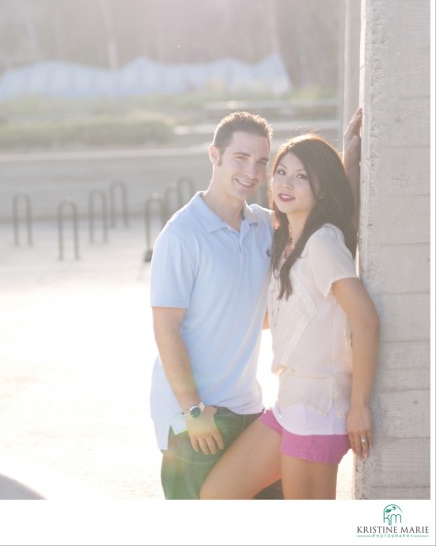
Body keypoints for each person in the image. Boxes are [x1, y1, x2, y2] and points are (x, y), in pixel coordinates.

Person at [149, 108, 363, 500]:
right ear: (214, 155)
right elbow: (166, 328)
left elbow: (325, 221)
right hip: (197, 416)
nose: (252, 171)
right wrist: (193, 410)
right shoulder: (181, 236)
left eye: (262, 161)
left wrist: (349, 165)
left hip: (252, 409)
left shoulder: (265, 225)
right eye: (240, 158)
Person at [200, 132, 380, 500]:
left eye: (302, 176)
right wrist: (349, 160)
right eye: (282, 171)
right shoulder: (288, 240)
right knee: (217, 493)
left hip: (318, 409)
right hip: (289, 405)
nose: (286, 183)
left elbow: (366, 321)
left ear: (322, 188)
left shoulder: (323, 243)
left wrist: (360, 406)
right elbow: (344, 212)